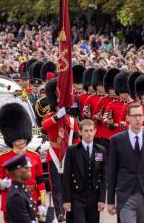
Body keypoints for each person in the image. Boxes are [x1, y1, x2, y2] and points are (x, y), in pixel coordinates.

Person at [107, 102, 144, 223]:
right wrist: (110, 200)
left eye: (140, 115)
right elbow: (112, 171)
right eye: (134, 115)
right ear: (127, 118)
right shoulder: (117, 140)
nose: (137, 119)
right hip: (125, 195)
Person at [0, 103, 46, 222]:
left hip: (31, 199)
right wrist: (1, 184)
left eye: (23, 137)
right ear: (10, 138)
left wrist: (42, 203)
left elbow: (41, 184)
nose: (21, 140)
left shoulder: (35, 156)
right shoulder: (3, 157)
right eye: (18, 138)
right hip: (11, 198)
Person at [42, 77, 80, 222]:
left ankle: (67, 210)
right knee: (56, 186)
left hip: (68, 156)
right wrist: (57, 117)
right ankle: (59, 212)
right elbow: (45, 126)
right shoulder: (50, 117)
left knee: (68, 186)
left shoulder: (71, 120)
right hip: (54, 156)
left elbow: (76, 140)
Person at [63, 119, 107, 223]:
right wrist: (66, 200)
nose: (89, 133)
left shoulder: (100, 150)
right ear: (80, 132)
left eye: (91, 130)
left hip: (94, 196)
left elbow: (103, 176)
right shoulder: (72, 150)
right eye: (86, 131)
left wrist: (101, 199)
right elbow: (66, 176)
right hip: (77, 195)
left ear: (95, 131)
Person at [3, 154, 36, 223]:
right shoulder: (16, 196)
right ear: (18, 172)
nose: (29, 169)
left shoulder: (23, 189)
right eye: (26, 167)